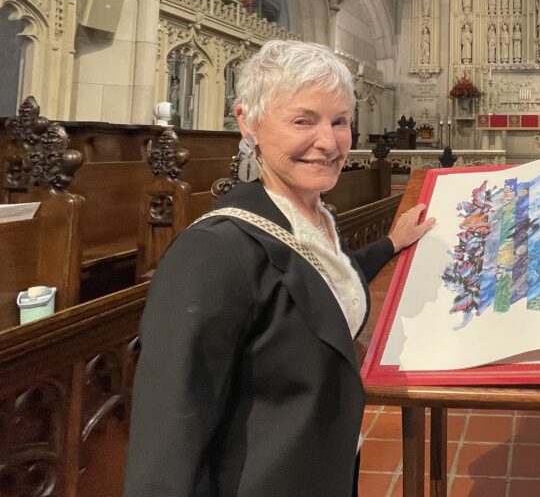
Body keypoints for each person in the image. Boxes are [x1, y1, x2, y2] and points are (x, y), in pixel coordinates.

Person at [123, 39, 436, 497]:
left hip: (322, 469)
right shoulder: (212, 252)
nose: (328, 142)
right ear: (248, 121)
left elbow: (323, 281)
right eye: (303, 121)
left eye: (340, 121)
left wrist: (391, 243)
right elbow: (169, 436)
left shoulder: (311, 217)